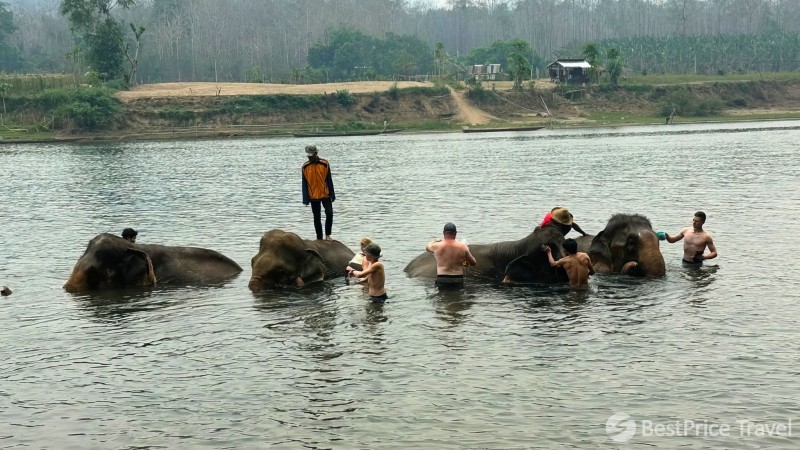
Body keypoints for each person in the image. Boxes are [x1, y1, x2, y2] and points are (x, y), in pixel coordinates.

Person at [426, 222, 477, 290]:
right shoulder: (463, 247)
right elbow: (473, 263)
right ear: (455, 233)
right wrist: (464, 262)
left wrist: (434, 241)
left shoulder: (437, 246)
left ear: (444, 233)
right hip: (458, 280)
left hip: (442, 279)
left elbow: (427, 247)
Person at [301, 145, 335, 240]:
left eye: (311, 155)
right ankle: (319, 237)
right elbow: (304, 183)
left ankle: (328, 234)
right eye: (308, 155)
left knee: (329, 213)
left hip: (325, 194)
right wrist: (305, 198)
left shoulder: (325, 164)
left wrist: (332, 194)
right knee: (317, 217)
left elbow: (329, 179)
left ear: (316, 153)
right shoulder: (305, 167)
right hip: (313, 196)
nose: (309, 157)